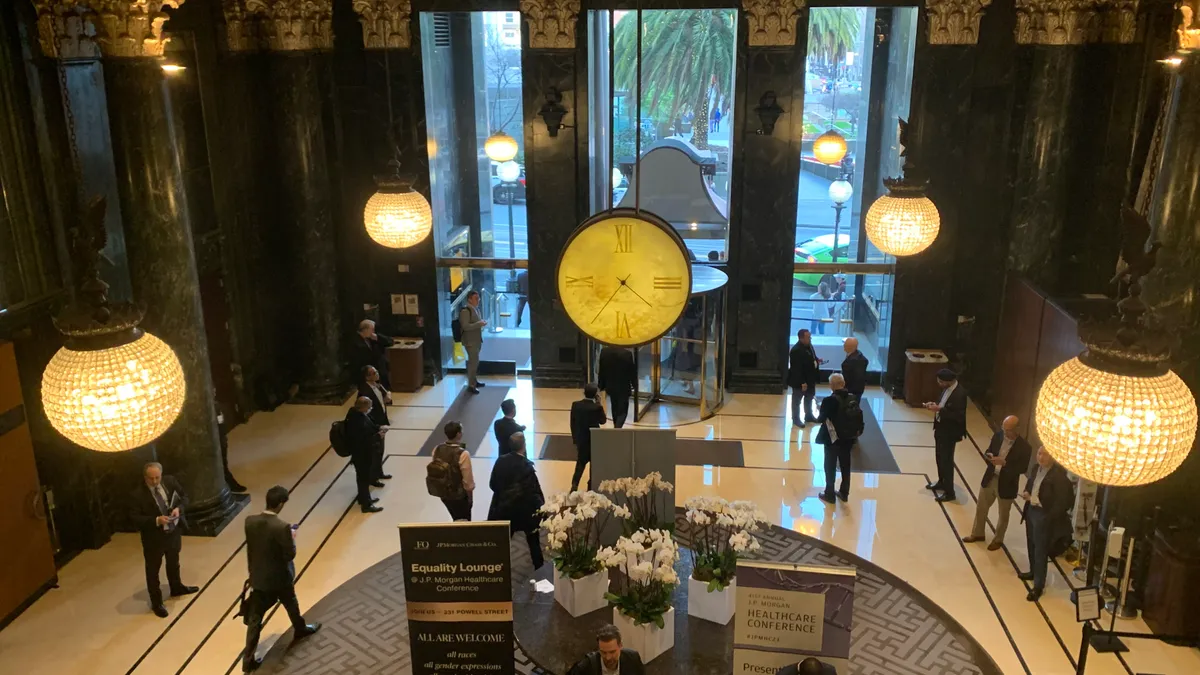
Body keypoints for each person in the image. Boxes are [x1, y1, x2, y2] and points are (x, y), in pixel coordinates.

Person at [241, 486, 320, 672]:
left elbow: (253, 550)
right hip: (279, 578)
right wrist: (291, 537)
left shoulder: (249, 521)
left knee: (255, 619)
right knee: (291, 603)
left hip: (259, 577)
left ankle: (248, 659)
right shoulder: (282, 527)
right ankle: (300, 629)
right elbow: (289, 555)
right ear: (281, 504)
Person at [130, 462, 198, 617]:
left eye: (157, 477)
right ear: (145, 477)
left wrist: (178, 509)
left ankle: (176, 587)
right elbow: (134, 518)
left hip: (173, 531)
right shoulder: (137, 494)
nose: (155, 482)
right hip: (153, 539)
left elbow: (185, 498)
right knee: (153, 571)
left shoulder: (170, 482)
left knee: (173, 561)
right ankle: (156, 602)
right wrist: (156, 520)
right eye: (151, 478)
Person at [963, 415, 1031, 550]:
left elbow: (1022, 468)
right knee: (981, 507)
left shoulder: (1025, 447)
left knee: (1003, 515)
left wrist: (1005, 463)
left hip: (1007, 483)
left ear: (1017, 429)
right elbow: (989, 450)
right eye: (1004, 428)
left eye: (1009, 430)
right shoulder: (998, 436)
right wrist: (988, 455)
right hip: (991, 477)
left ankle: (998, 540)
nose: (1005, 432)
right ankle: (977, 533)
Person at [1019, 447, 1074, 601]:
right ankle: (1032, 571)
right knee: (1031, 544)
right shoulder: (1036, 468)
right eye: (1039, 453)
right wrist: (1026, 493)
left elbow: (1063, 502)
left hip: (1044, 515)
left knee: (1040, 550)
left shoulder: (1059, 477)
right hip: (1031, 511)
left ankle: (1038, 586)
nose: (1041, 457)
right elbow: (1031, 484)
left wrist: (1046, 512)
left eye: (1045, 455)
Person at [487, 432, 546, 569]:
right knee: (533, 542)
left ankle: (497, 567)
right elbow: (534, 493)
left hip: (504, 510)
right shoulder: (527, 467)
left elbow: (493, 485)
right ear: (524, 446)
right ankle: (539, 569)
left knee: (504, 540)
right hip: (525, 514)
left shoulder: (500, 461)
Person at [814, 374, 860, 504]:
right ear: (844, 383)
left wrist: (819, 409)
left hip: (833, 438)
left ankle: (829, 493)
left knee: (830, 465)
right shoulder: (853, 398)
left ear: (832, 386)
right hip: (848, 438)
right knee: (845, 465)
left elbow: (821, 419)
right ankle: (844, 492)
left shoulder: (830, 400)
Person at [924, 368, 967, 502]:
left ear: (949, 381)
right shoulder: (947, 389)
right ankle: (942, 481)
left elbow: (958, 416)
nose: (939, 384)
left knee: (946, 461)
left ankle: (950, 492)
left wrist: (939, 410)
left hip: (950, 432)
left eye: (941, 382)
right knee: (939, 457)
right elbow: (944, 404)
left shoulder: (960, 394)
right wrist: (936, 405)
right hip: (941, 428)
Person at [344, 396, 385, 513]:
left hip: (361, 453)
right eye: (369, 407)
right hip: (362, 454)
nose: (370, 409)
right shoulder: (357, 421)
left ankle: (364, 498)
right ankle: (366, 505)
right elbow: (363, 439)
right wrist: (378, 436)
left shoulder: (355, 414)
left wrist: (378, 428)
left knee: (362, 478)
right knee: (363, 478)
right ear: (363, 407)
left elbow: (369, 427)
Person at [432, 421, 475, 520]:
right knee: (464, 519)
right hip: (459, 494)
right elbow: (468, 481)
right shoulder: (463, 454)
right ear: (458, 434)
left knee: (455, 515)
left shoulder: (436, 449)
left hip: (443, 492)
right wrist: (470, 499)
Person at [569, 384, 607, 491]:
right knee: (593, 464)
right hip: (594, 439)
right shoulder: (597, 407)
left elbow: (572, 423)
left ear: (583, 392)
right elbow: (603, 421)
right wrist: (599, 403)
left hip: (581, 439)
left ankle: (574, 484)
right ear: (595, 395)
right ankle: (590, 486)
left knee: (580, 463)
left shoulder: (575, 405)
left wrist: (575, 439)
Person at [358, 365, 393, 481]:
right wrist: (375, 427)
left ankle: (379, 472)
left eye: (376, 371)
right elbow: (365, 411)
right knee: (375, 452)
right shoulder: (365, 391)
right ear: (367, 377)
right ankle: (373, 477)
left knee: (380, 450)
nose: (377, 374)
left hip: (381, 422)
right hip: (373, 425)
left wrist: (387, 398)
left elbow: (383, 400)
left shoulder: (377, 385)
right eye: (374, 373)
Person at [567, 624, 645, 675]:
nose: (608, 657)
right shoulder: (585, 667)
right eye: (603, 652)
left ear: (620, 646)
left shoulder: (633, 659)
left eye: (612, 652)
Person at [787, 328, 823, 427]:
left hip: (810, 378)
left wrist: (816, 360)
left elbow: (812, 356)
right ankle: (796, 419)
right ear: (801, 338)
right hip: (801, 381)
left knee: (809, 397)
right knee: (797, 400)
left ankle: (809, 415)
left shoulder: (809, 346)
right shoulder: (796, 350)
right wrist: (802, 382)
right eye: (808, 337)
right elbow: (796, 369)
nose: (810, 339)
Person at [597, 345, 636, 429]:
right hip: (624, 386)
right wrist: (635, 384)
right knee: (622, 410)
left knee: (614, 407)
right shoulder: (627, 354)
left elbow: (602, 369)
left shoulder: (604, 352)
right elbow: (631, 371)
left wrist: (601, 384)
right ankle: (617, 428)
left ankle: (616, 426)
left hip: (610, 385)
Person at [351, 319, 393, 390]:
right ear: (365, 330)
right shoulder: (356, 343)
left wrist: (377, 338)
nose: (373, 332)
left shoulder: (371, 338)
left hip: (380, 370)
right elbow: (359, 361)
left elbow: (390, 341)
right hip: (369, 373)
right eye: (372, 329)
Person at [459, 291, 487, 394]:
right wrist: (479, 324)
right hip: (470, 341)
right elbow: (465, 326)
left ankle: (474, 381)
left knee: (475, 362)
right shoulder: (465, 311)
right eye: (476, 298)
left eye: (478, 298)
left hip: (476, 340)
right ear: (469, 299)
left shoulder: (475, 310)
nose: (478, 300)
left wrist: (480, 324)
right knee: (473, 363)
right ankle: (471, 385)